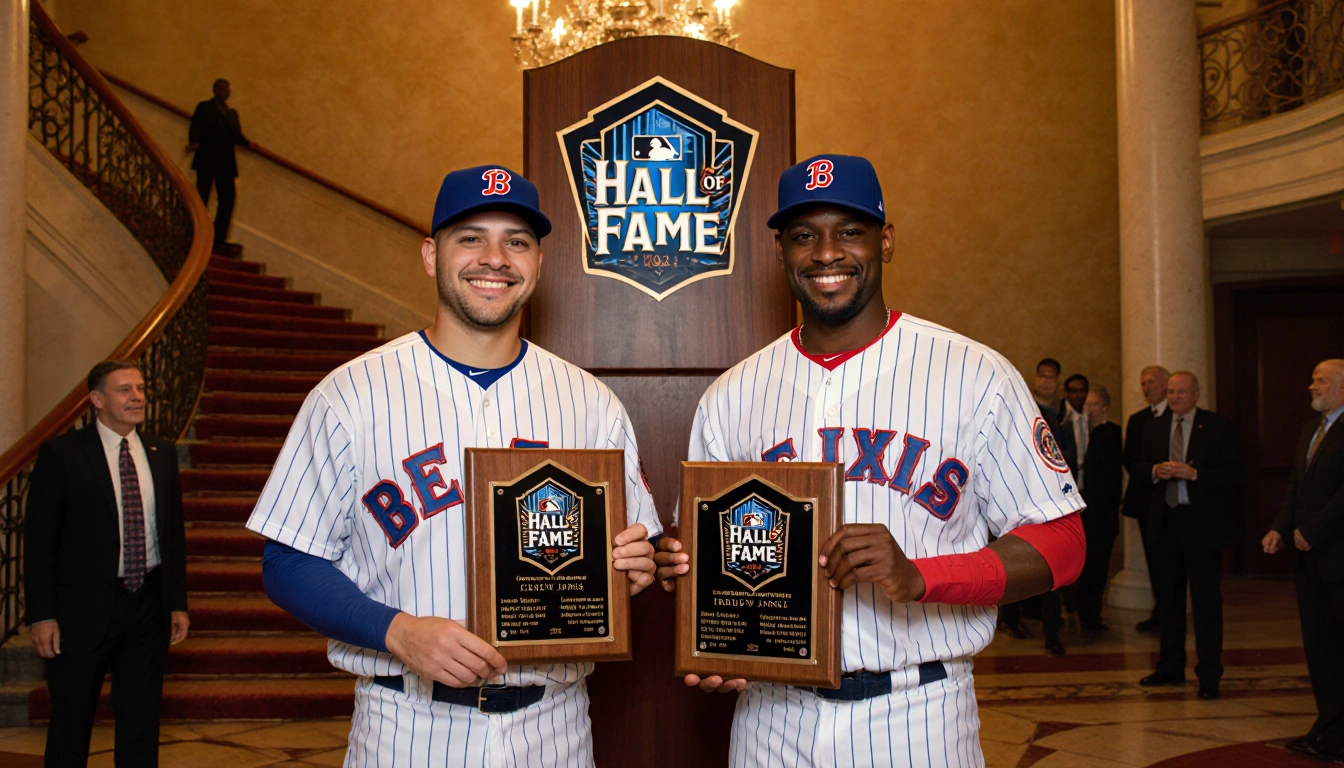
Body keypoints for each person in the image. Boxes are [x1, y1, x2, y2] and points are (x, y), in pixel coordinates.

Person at [652, 155, 1086, 766]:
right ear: (781, 252)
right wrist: (707, 614)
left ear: (885, 241)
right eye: (804, 235)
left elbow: (1064, 544)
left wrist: (920, 576)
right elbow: (706, 559)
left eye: (849, 231)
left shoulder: (975, 374)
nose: (826, 252)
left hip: (917, 713)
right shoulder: (732, 395)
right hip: (771, 720)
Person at [245, 166, 660, 765]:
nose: (494, 258)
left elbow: (633, 548)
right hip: (407, 725)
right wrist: (397, 631)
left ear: (538, 262)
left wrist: (633, 565)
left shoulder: (591, 401)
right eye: (470, 237)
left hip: (555, 727)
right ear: (429, 254)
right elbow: (286, 561)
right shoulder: (349, 394)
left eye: (516, 241)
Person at [24, 360, 190, 767]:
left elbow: (172, 535)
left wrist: (177, 602)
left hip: (147, 605)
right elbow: (40, 541)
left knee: (140, 721)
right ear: (97, 400)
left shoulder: (161, 452)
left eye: (140, 388)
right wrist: (42, 615)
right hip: (81, 611)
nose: (137, 397)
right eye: (124, 390)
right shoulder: (63, 453)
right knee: (71, 722)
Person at [1136, 371, 1243, 700]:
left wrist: (1194, 473)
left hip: (1202, 527)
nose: (1177, 397)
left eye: (1183, 392)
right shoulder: (1153, 426)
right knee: (1168, 601)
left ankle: (1209, 674)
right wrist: (1156, 471)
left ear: (1196, 394)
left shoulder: (1217, 426)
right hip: (1165, 525)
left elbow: (1236, 475)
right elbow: (1137, 466)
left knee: (1206, 602)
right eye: (1171, 392)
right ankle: (1170, 667)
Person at [1262, 359, 1344, 760]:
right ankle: (1328, 729)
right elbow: (1297, 485)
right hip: (1309, 562)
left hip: (1338, 557)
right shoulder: (1311, 429)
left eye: (1320, 380)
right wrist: (1280, 527)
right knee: (1320, 648)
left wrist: (1312, 532)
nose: (1311, 386)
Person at [1123, 364, 1169, 633]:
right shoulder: (1139, 419)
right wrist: (1153, 471)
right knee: (1154, 559)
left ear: (1165, 383)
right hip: (1146, 502)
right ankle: (1159, 610)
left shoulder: (1179, 416)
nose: (1146, 388)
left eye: (1151, 382)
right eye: (1143, 383)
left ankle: (1170, 610)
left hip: (1175, 503)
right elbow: (1130, 459)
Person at [187, 78, 255, 255]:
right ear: (214, 89)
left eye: (226, 89)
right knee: (201, 197)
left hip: (226, 162)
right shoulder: (204, 107)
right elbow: (195, 126)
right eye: (220, 88)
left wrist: (249, 144)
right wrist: (194, 142)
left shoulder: (232, 114)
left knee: (227, 200)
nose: (223, 91)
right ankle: (195, 233)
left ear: (229, 93)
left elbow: (236, 135)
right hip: (207, 159)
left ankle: (217, 239)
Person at [1077, 385, 1122, 631]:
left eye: (1095, 404)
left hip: (1101, 514)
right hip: (1085, 514)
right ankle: (1085, 613)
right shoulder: (1082, 433)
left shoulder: (1110, 433)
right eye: (1087, 405)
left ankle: (1092, 616)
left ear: (1105, 407)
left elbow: (1108, 479)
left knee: (1098, 566)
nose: (1090, 409)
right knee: (1085, 567)